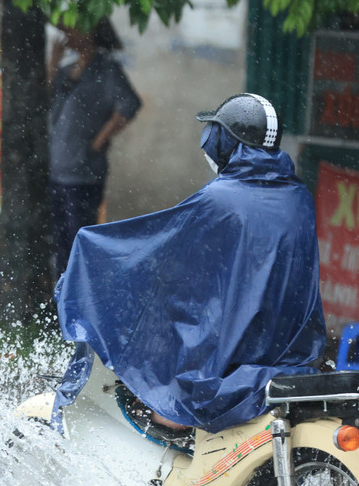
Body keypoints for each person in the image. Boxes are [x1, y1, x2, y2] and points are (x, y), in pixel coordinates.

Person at [52, 93, 326, 435]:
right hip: (284, 344)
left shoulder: (220, 198)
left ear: (228, 142)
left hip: (235, 343)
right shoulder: (298, 197)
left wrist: (94, 250)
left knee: (173, 346)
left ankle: (172, 422)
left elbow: (162, 243)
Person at [47, 19, 141, 276]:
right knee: (59, 243)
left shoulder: (106, 70)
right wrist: (53, 62)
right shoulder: (66, 70)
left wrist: (99, 141)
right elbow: (46, 102)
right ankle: (62, 294)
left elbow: (130, 104)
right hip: (56, 169)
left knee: (78, 242)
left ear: (90, 31)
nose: (67, 32)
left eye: (73, 26)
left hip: (83, 173)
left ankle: (77, 294)